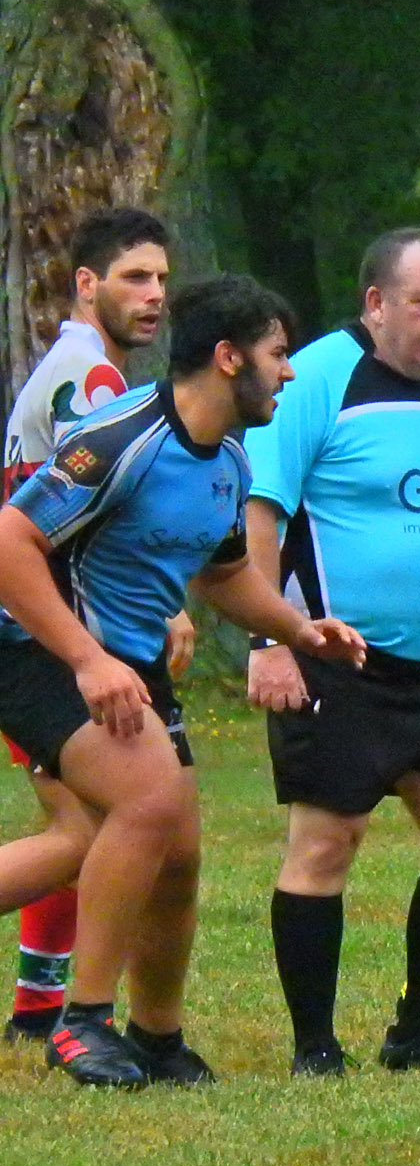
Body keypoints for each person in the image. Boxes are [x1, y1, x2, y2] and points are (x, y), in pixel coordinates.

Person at [0, 274, 366, 1087]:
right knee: (150, 802)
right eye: (279, 355)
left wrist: (301, 629)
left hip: (127, 666)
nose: (291, 373)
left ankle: (156, 1038)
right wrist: (88, 661)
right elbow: (10, 542)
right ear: (230, 358)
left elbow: (226, 574)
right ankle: (81, 1023)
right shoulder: (123, 436)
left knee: (177, 856)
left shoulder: (229, 461)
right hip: (39, 649)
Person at [244, 226, 420, 1078]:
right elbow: (261, 518)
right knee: (328, 843)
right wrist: (269, 640)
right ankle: (314, 1048)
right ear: (375, 304)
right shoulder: (315, 382)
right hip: (340, 659)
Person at [0, 207, 197, 1042]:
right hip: (40, 637)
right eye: (133, 279)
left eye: (161, 279)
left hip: (39, 628)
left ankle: (48, 1008)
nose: (153, 296)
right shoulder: (95, 383)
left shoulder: (74, 365)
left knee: (96, 827)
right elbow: (95, 506)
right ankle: (77, 1016)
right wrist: (167, 603)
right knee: (107, 825)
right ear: (87, 285)